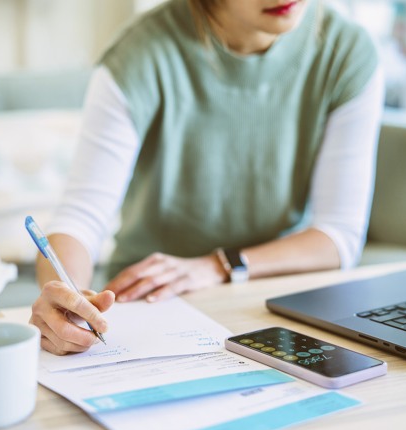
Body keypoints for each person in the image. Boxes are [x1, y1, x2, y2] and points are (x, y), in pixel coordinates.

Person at [30, 0, 384, 355]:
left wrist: (218, 265)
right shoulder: (141, 52)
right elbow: (81, 215)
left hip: (281, 300)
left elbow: (339, 236)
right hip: (150, 303)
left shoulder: (347, 51)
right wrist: (65, 298)